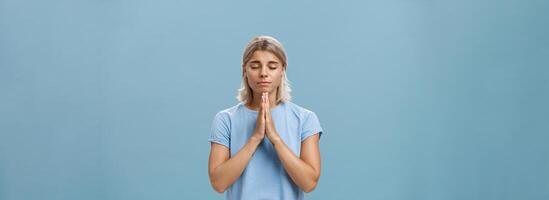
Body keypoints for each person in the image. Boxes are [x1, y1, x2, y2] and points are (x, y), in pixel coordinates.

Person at [208, 35, 324, 200]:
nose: (263, 73)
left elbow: (309, 183)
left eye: (272, 66)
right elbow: (218, 183)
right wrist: (255, 137)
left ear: (282, 70)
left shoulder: (305, 119)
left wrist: (274, 138)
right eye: (255, 66)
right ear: (244, 71)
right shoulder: (225, 119)